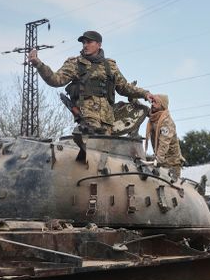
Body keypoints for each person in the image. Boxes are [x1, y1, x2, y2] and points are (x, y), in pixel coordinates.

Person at [26, 30, 157, 135]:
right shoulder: (75, 63)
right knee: (90, 153)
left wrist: (145, 94)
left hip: (107, 119)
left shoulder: (110, 66)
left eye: (89, 42)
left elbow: (124, 87)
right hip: (87, 118)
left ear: (99, 45)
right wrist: (38, 64)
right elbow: (55, 80)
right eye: (83, 42)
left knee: (105, 155)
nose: (85, 45)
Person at [146, 94, 184, 180]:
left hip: (171, 165)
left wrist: (158, 160)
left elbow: (164, 143)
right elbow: (143, 109)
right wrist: (135, 99)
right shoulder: (155, 116)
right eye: (152, 102)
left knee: (169, 190)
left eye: (155, 102)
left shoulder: (166, 122)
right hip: (162, 162)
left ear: (162, 105)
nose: (152, 104)